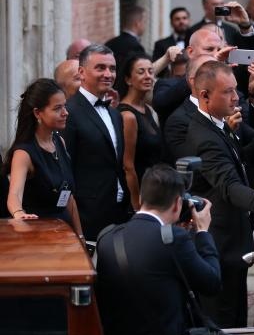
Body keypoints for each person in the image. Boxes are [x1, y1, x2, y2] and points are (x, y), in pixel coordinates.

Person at [95, 164, 220, 335]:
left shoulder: (108, 236)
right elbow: (212, 282)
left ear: (141, 197)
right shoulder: (175, 240)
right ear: (177, 204)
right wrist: (203, 232)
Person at [185, 60, 254, 328]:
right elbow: (229, 185)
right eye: (228, 92)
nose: (236, 98)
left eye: (236, 90)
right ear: (205, 95)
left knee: (236, 320)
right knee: (223, 322)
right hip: (220, 245)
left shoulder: (218, 125)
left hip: (233, 242)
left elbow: (241, 158)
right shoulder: (205, 136)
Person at [63, 44, 130, 241]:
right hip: (86, 216)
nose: (108, 74)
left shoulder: (114, 114)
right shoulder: (69, 113)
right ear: (82, 73)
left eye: (112, 68)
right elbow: (66, 171)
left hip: (118, 212)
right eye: (100, 68)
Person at [5, 79, 82, 235]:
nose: (65, 112)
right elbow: (14, 194)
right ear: (37, 113)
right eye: (57, 108)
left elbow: (68, 198)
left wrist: (80, 236)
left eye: (65, 106)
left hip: (66, 234)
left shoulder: (59, 141)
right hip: (40, 236)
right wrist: (19, 212)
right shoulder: (24, 152)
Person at [117, 53, 164, 210]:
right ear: (128, 79)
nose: (148, 76)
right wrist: (136, 204)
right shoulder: (127, 116)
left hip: (155, 190)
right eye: (141, 71)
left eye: (151, 71)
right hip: (140, 198)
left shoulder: (148, 110)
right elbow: (128, 166)